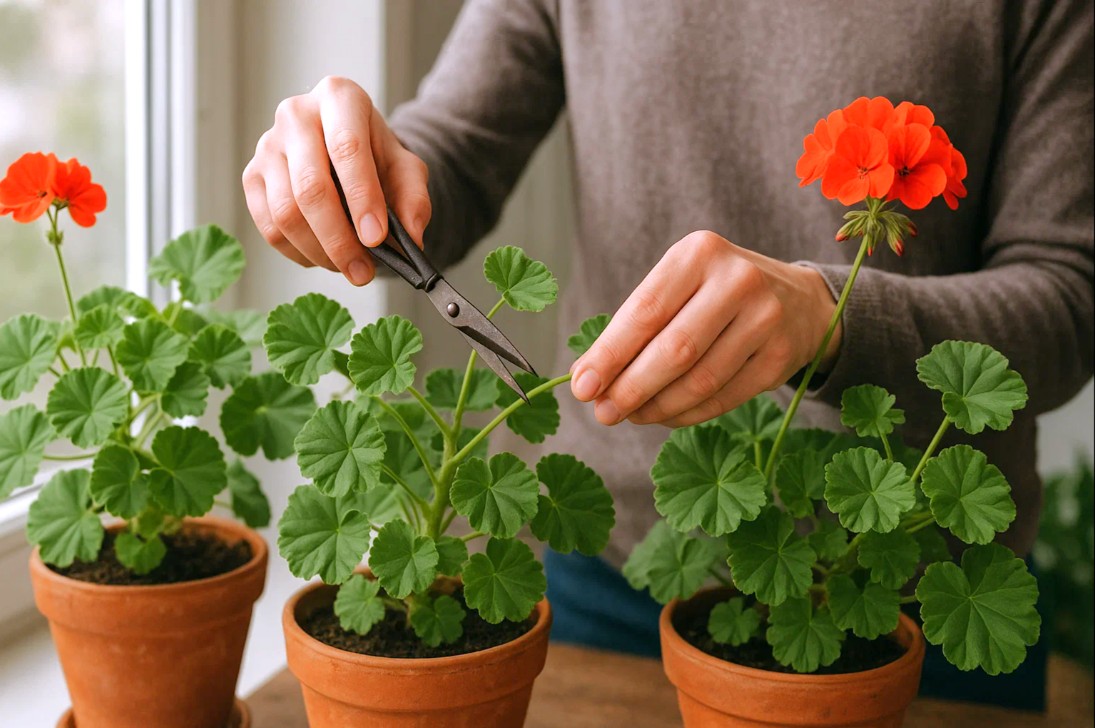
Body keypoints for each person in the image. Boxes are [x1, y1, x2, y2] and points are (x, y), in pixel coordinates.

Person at [242, 0, 1094, 710]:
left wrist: (833, 315)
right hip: (623, 572)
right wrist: (348, 170)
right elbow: (456, 145)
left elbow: (1070, 291)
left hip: (919, 595)